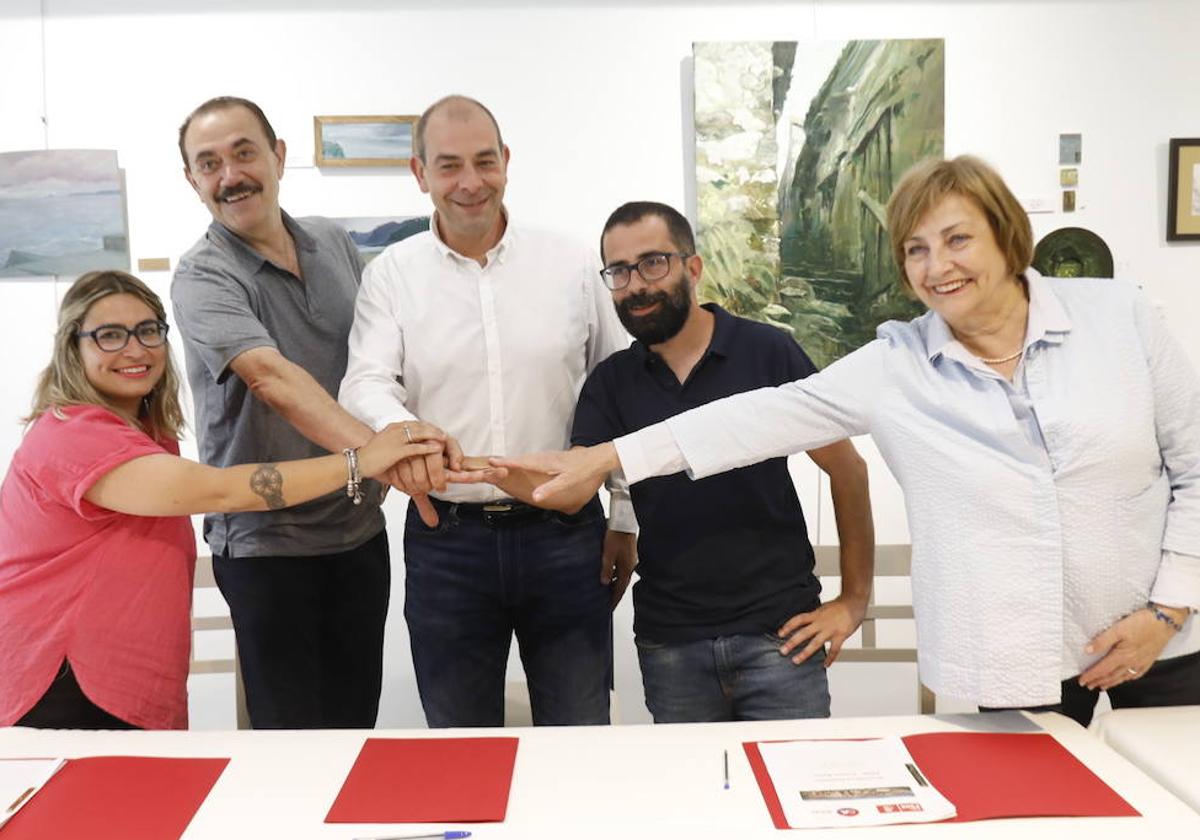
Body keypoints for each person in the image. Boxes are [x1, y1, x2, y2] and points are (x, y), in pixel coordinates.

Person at [496, 156, 1200, 727]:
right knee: (1035, 819)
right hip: (1018, 653)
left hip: (1165, 637)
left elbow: (1196, 467)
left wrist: (1168, 609)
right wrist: (608, 457)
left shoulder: (1121, 317)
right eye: (915, 250)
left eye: (958, 239)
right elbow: (754, 419)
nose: (937, 266)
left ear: (1006, 235)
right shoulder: (896, 363)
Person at [0, 271, 440, 730]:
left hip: (121, 679)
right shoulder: (74, 436)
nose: (135, 349)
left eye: (148, 330)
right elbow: (221, 490)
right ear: (73, 347)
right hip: (64, 678)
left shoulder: (145, 434)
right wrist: (362, 460)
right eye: (109, 336)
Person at [338, 95, 632, 728]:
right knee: (458, 746)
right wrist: (410, 436)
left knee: (581, 735)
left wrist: (626, 516)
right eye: (448, 166)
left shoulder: (572, 262)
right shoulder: (393, 272)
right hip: (448, 543)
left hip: (566, 533)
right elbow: (364, 380)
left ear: (506, 162)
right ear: (420, 174)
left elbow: (621, 392)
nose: (469, 183)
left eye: (483, 161)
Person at [171, 96, 433, 729]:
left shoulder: (332, 241)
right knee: (292, 746)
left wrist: (401, 444)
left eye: (243, 152)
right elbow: (271, 378)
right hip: (266, 549)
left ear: (278, 156)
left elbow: (376, 360)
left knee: (353, 728)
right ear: (193, 181)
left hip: (358, 535)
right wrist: (379, 455)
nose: (230, 175)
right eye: (209, 164)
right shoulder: (202, 276)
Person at [570, 201, 875, 722]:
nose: (636, 284)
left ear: (693, 267)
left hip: (781, 637)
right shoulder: (611, 382)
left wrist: (853, 602)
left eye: (652, 263)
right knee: (694, 799)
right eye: (618, 272)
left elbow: (848, 469)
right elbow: (587, 479)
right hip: (671, 645)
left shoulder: (768, 353)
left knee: (791, 791)